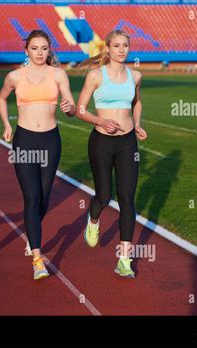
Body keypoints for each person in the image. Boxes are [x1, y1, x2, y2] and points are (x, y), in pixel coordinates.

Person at [0, 30, 76, 280]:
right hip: (25, 140)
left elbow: (72, 107)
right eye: (35, 48)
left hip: (51, 140)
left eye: (44, 48)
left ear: (49, 50)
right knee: (31, 197)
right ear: (26, 51)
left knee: (43, 197)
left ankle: (32, 234)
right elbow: (1, 98)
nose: (40, 53)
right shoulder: (15, 76)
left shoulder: (59, 74)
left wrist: (69, 107)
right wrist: (7, 125)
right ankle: (37, 258)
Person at [76, 30, 148, 278]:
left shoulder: (135, 76)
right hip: (101, 142)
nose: (121, 50)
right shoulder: (96, 76)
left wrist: (137, 124)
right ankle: (93, 218)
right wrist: (101, 121)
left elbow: (136, 102)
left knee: (127, 200)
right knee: (104, 196)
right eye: (116, 45)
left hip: (127, 143)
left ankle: (124, 259)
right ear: (107, 48)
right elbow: (80, 109)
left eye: (125, 45)